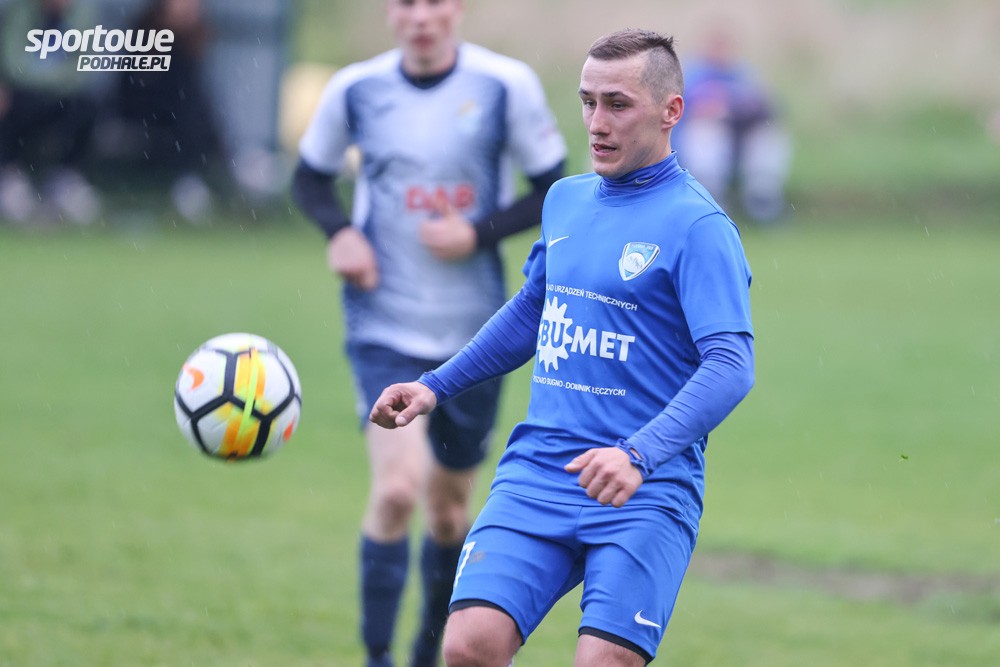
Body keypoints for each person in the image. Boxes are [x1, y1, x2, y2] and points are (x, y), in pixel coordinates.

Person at [370, 28, 755, 667]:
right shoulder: (565, 200)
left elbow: (731, 365)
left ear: (671, 111)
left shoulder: (700, 227)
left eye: (618, 104)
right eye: (587, 101)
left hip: (643, 488)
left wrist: (638, 454)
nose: (597, 123)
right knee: (468, 646)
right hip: (540, 472)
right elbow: (532, 310)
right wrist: (434, 385)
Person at [291, 1, 566, 665]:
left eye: (434, 1)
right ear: (391, 12)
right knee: (395, 490)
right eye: (406, 2)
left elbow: (552, 187)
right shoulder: (356, 89)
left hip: (476, 336)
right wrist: (340, 232)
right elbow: (308, 179)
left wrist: (478, 232)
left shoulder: (504, 85)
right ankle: (377, 656)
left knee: (447, 512)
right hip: (383, 322)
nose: (421, 16)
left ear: (457, 9)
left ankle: (425, 650)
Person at [112, 0, 222, 222]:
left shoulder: (191, 39)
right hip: (146, 112)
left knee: (194, 112)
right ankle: (188, 182)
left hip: (181, 117)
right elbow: (138, 86)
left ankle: (197, 177)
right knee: (188, 113)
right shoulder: (147, 33)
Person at [672, 25, 791, 223]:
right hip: (697, 143)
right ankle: (710, 197)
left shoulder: (743, 74)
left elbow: (768, 105)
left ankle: (762, 198)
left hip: (739, 138)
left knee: (768, 133)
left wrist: (737, 108)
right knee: (706, 131)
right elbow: (692, 109)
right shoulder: (690, 74)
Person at [0, 0, 101, 226]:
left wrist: (47, 81)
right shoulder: (21, 12)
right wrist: (48, 80)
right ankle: (10, 177)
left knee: (88, 105)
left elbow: (82, 66)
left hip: (63, 95)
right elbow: (12, 62)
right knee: (6, 102)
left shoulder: (83, 15)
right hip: (24, 94)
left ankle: (66, 179)